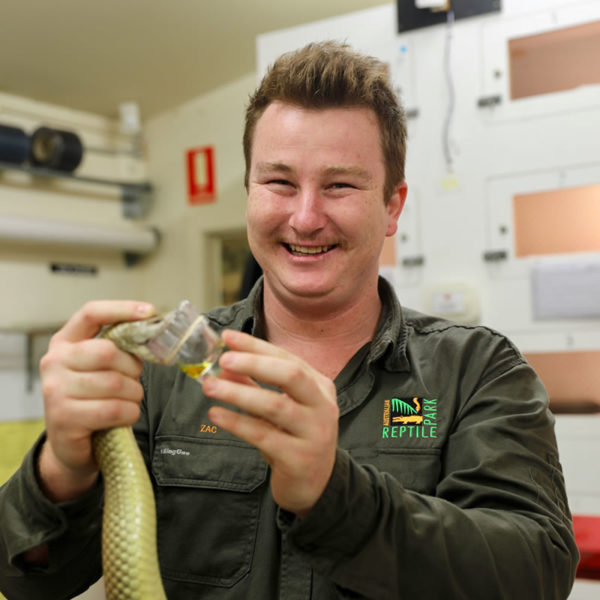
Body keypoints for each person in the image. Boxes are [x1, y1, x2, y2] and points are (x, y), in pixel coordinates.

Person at [0, 41, 578, 599]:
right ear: (249, 193)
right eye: (279, 182)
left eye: (340, 185)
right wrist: (61, 471)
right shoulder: (161, 370)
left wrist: (335, 495)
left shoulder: (477, 371)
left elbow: (534, 573)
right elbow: (29, 580)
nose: (305, 217)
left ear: (392, 206)